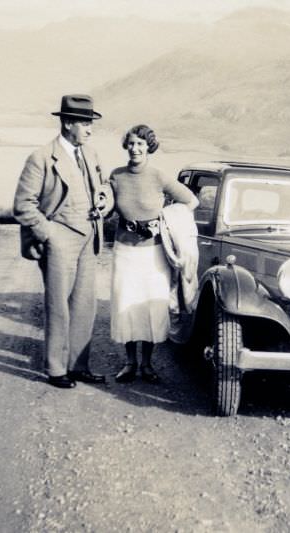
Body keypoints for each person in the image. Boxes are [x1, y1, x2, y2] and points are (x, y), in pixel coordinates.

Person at [13, 94, 113, 389]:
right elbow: (23, 205)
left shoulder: (91, 154)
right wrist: (49, 234)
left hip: (90, 237)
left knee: (85, 305)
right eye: (85, 123)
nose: (90, 129)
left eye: (90, 123)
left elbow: (104, 185)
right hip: (60, 239)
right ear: (68, 123)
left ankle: (78, 365)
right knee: (58, 305)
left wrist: (105, 201)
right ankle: (56, 369)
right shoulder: (41, 158)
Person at [110, 124, 198, 383]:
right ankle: (129, 363)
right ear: (126, 146)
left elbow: (191, 201)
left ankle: (147, 365)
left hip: (154, 255)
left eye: (141, 144)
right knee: (126, 304)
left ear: (149, 147)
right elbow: (105, 203)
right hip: (124, 252)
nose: (135, 149)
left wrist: (165, 220)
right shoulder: (116, 176)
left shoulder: (159, 176)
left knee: (150, 305)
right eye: (132, 143)